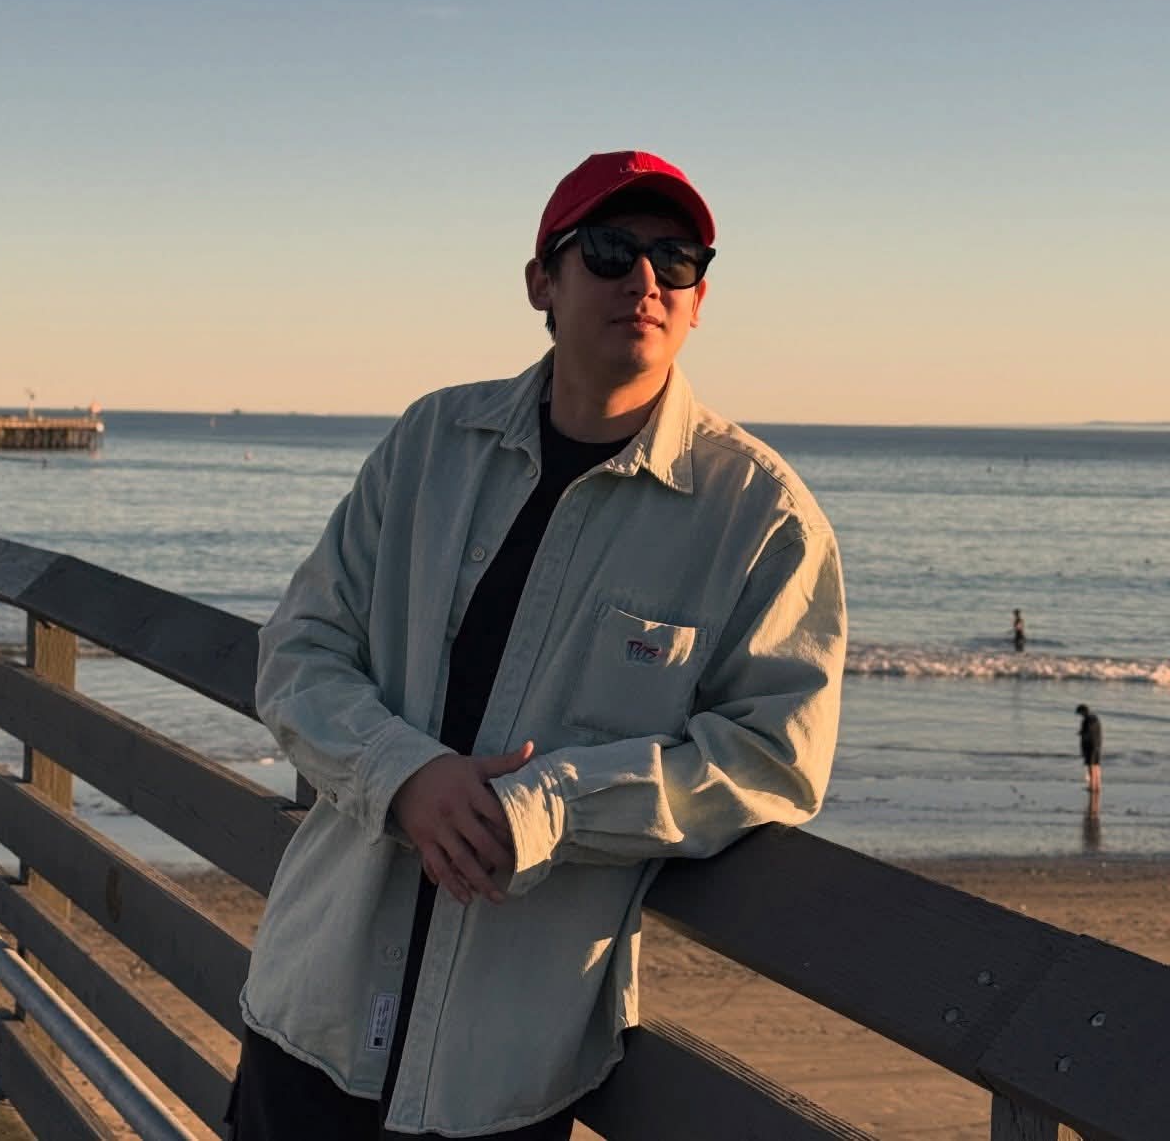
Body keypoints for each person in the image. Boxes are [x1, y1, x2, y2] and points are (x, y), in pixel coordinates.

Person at [231, 151, 849, 1140]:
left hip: (502, 1066)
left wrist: (557, 804)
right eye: (607, 250)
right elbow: (301, 647)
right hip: (315, 1007)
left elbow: (773, 756)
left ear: (699, 299)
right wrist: (402, 774)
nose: (643, 279)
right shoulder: (432, 443)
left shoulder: (760, 518)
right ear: (541, 283)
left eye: (676, 259)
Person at [1076, 703, 1102, 797]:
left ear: (1083, 712)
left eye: (1080, 713)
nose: (1080, 715)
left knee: (1091, 766)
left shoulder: (1087, 720)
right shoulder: (1095, 718)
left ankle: (1092, 786)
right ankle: (1097, 785)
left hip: (1089, 746)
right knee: (1096, 765)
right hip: (1097, 744)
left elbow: (1087, 733)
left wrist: (1081, 733)